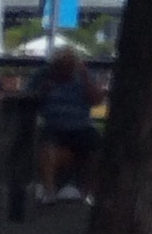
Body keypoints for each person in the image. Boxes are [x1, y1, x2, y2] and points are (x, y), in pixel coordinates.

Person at [26, 46, 103, 205]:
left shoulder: (84, 75)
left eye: (67, 68)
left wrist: (86, 79)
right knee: (46, 146)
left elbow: (96, 100)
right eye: (60, 67)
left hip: (81, 124)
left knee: (99, 150)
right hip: (53, 124)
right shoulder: (42, 75)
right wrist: (42, 91)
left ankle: (87, 193)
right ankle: (49, 191)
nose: (63, 72)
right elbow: (27, 101)